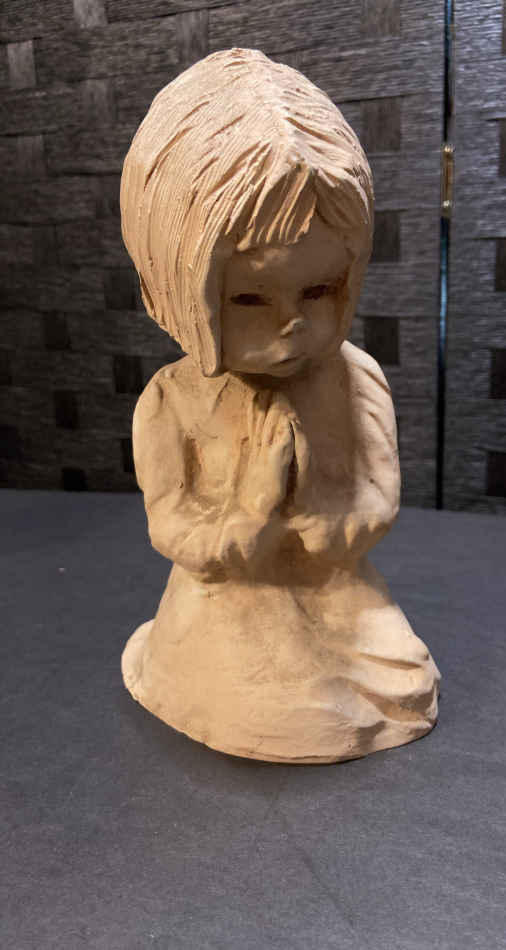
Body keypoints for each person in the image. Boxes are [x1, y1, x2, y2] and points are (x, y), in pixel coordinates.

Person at [120, 48, 440, 763]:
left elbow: (377, 494)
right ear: (175, 288)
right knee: (279, 702)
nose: (291, 325)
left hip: (337, 587)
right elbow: (172, 525)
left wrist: (333, 528)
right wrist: (253, 509)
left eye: (318, 291)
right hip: (229, 599)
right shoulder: (172, 401)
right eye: (249, 299)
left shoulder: (355, 379)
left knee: (402, 676)